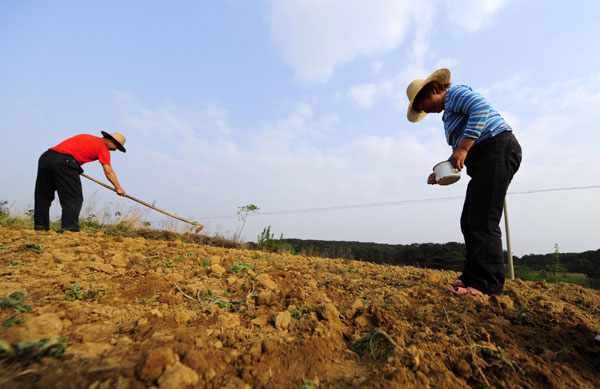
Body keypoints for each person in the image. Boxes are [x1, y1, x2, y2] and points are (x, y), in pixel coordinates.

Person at [406, 68, 522, 296]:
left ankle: (486, 286)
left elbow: (481, 109)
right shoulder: (448, 115)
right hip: (484, 157)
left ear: (434, 88)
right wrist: (442, 173)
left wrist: (462, 148)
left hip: (497, 147)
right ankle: (472, 278)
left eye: (424, 103)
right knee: (469, 220)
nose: (426, 110)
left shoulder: (455, 94)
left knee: (483, 219)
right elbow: (461, 154)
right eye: (421, 110)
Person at [34, 131, 127, 232]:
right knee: (73, 198)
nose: (115, 150)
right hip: (65, 162)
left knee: (43, 195)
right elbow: (109, 171)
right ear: (112, 141)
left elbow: (72, 151)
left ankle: (40, 227)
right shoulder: (103, 149)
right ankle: (69, 229)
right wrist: (118, 187)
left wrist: (75, 167)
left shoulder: (86, 136)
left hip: (46, 157)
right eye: (116, 147)